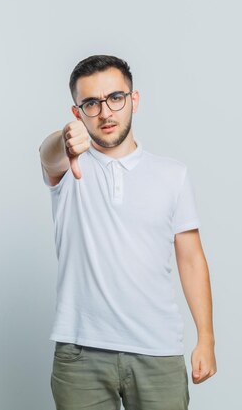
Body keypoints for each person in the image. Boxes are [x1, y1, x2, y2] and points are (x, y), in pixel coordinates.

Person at [38, 55, 216, 410]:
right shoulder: (70, 168)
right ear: (78, 113)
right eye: (91, 103)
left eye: (115, 98)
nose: (105, 112)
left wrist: (206, 339)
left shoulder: (172, 175)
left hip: (157, 351)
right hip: (81, 354)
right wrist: (64, 141)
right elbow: (49, 156)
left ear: (133, 100)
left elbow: (192, 259)